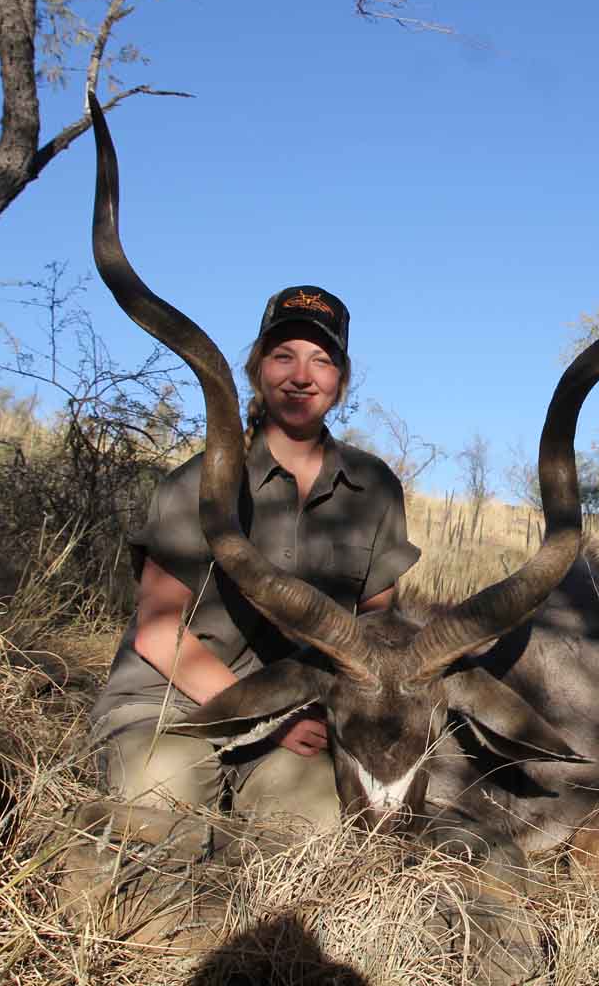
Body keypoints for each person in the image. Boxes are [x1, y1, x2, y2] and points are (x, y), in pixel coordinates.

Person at [87, 285, 420, 825]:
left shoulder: (375, 486)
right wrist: (269, 716)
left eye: (321, 360)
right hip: (170, 704)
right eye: (283, 356)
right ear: (256, 370)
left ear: (341, 380)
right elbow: (157, 634)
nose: (301, 376)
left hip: (297, 720)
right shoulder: (197, 482)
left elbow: (379, 631)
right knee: (162, 791)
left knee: (316, 826)